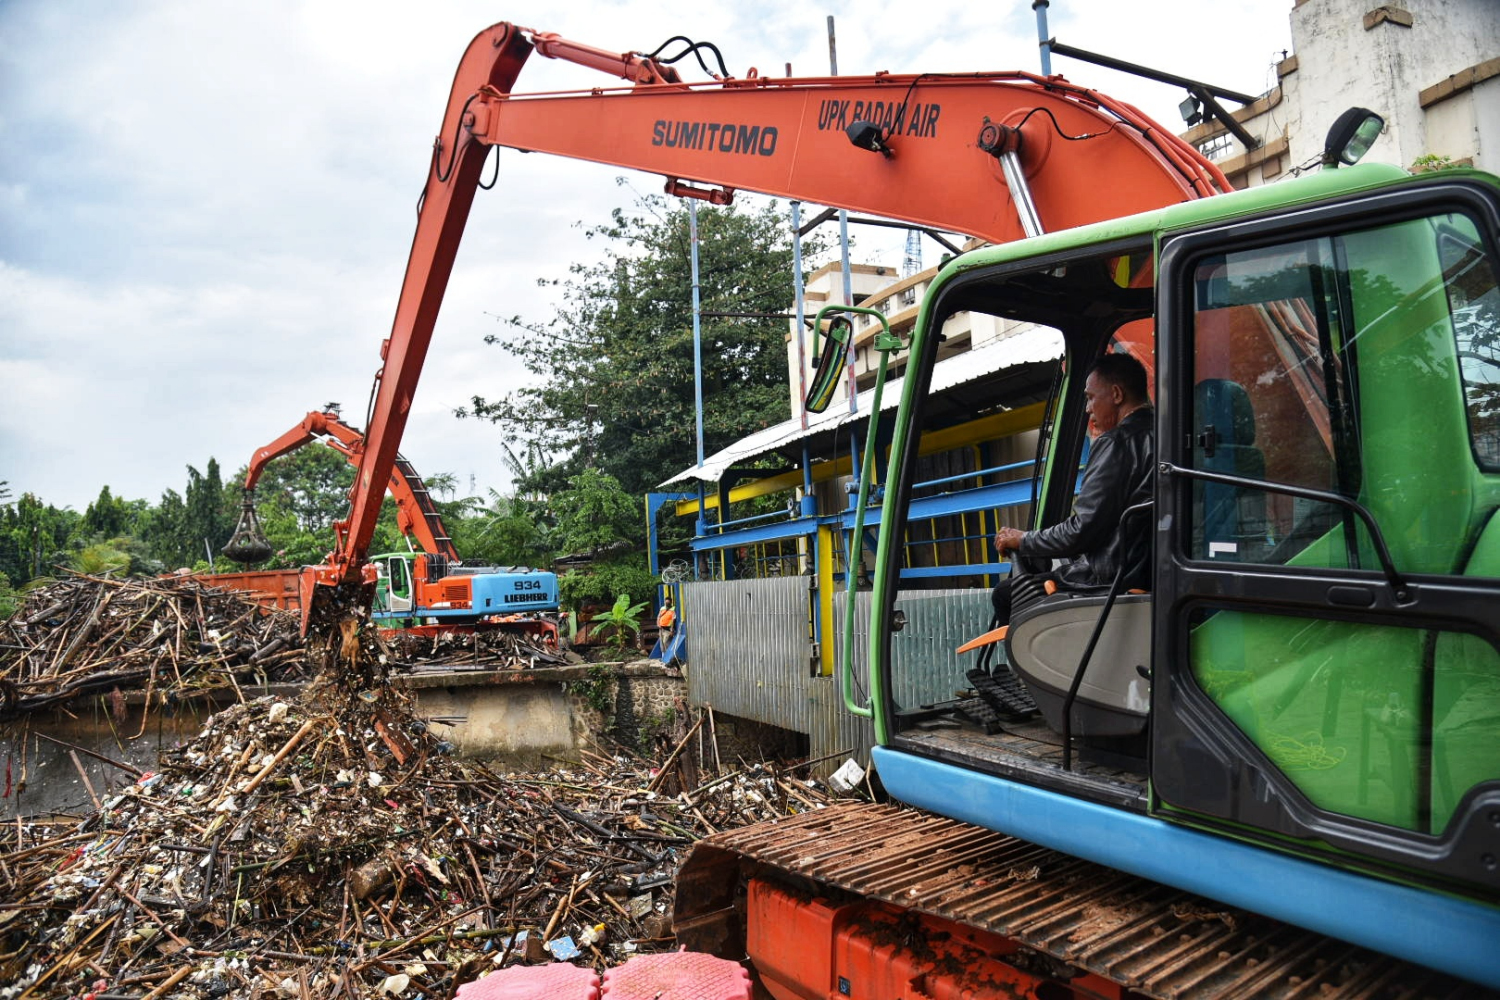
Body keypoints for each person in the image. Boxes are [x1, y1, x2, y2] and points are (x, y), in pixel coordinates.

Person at [991, 352, 1154, 624]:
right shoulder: (1164, 432)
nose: (1088, 408)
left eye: (1091, 397)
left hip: (1112, 579)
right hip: (1145, 570)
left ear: (1116, 394)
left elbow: (1081, 532)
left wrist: (1023, 540)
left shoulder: (1117, 443)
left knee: (1005, 594)